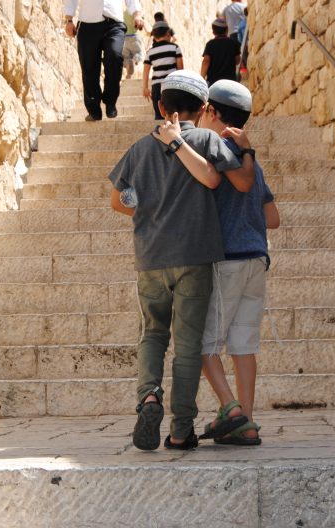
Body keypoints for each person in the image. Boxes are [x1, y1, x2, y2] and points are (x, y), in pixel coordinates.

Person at [108, 71, 252, 451]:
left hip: (151, 256)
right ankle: (180, 429)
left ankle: (149, 396)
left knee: (153, 333)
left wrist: (147, 209)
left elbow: (116, 200)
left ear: (160, 106)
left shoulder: (139, 149)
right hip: (195, 256)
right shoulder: (205, 139)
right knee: (188, 345)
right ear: (204, 109)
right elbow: (225, 179)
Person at [197, 80, 280, 446]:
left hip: (227, 259)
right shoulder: (251, 159)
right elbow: (273, 217)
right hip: (256, 260)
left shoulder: (216, 149)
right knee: (244, 345)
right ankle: (247, 420)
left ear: (213, 112)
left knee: (204, 342)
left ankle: (230, 408)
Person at [63, 0, 144, 121]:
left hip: (114, 23)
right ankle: (94, 110)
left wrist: (137, 14)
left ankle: (110, 101)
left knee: (115, 57)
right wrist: (69, 20)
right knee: (89, 67)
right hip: (87, 22)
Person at [143, 21, 183, 120]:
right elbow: (180, 68)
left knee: (159, 114)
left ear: (154, 36)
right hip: (172, 84)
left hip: (156, 86)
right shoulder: (175, 47)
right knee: (175, 113)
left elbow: (146, 71)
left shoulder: (150, 52)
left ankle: (160, 133)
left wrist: (145, 87)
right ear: (168, 33)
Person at [201, 19, 241, 86]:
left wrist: (202, 78)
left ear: (213, 32)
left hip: (213, 82)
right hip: (230, 81)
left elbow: (206, 61)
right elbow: (237, 60)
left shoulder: (210, 44)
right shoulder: (233, 43)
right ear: (226, 30)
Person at [122, 10, 144, 79]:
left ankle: (128, 71)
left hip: (124, 38)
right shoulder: (137, 12)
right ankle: (134, 61)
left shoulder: (123, 13)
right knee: (138, 52)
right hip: (134, 37)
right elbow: (140, 25)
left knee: (126, 56)